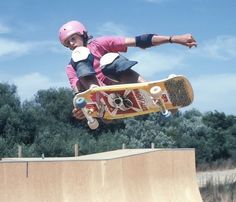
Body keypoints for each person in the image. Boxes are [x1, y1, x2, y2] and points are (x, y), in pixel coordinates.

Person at [58, 20, 197, 120]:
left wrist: (173, 39)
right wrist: (81, 109)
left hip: (120, 84)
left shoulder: (99, 44)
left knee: (109, 59)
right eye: (67, 43)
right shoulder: (71, 67)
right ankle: (100, 95)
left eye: (73, 38)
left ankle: (153, 93)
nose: (71, 43)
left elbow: (141, 41)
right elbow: (78, 94)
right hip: (104, 105)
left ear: (83, 35)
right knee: (79, 60)